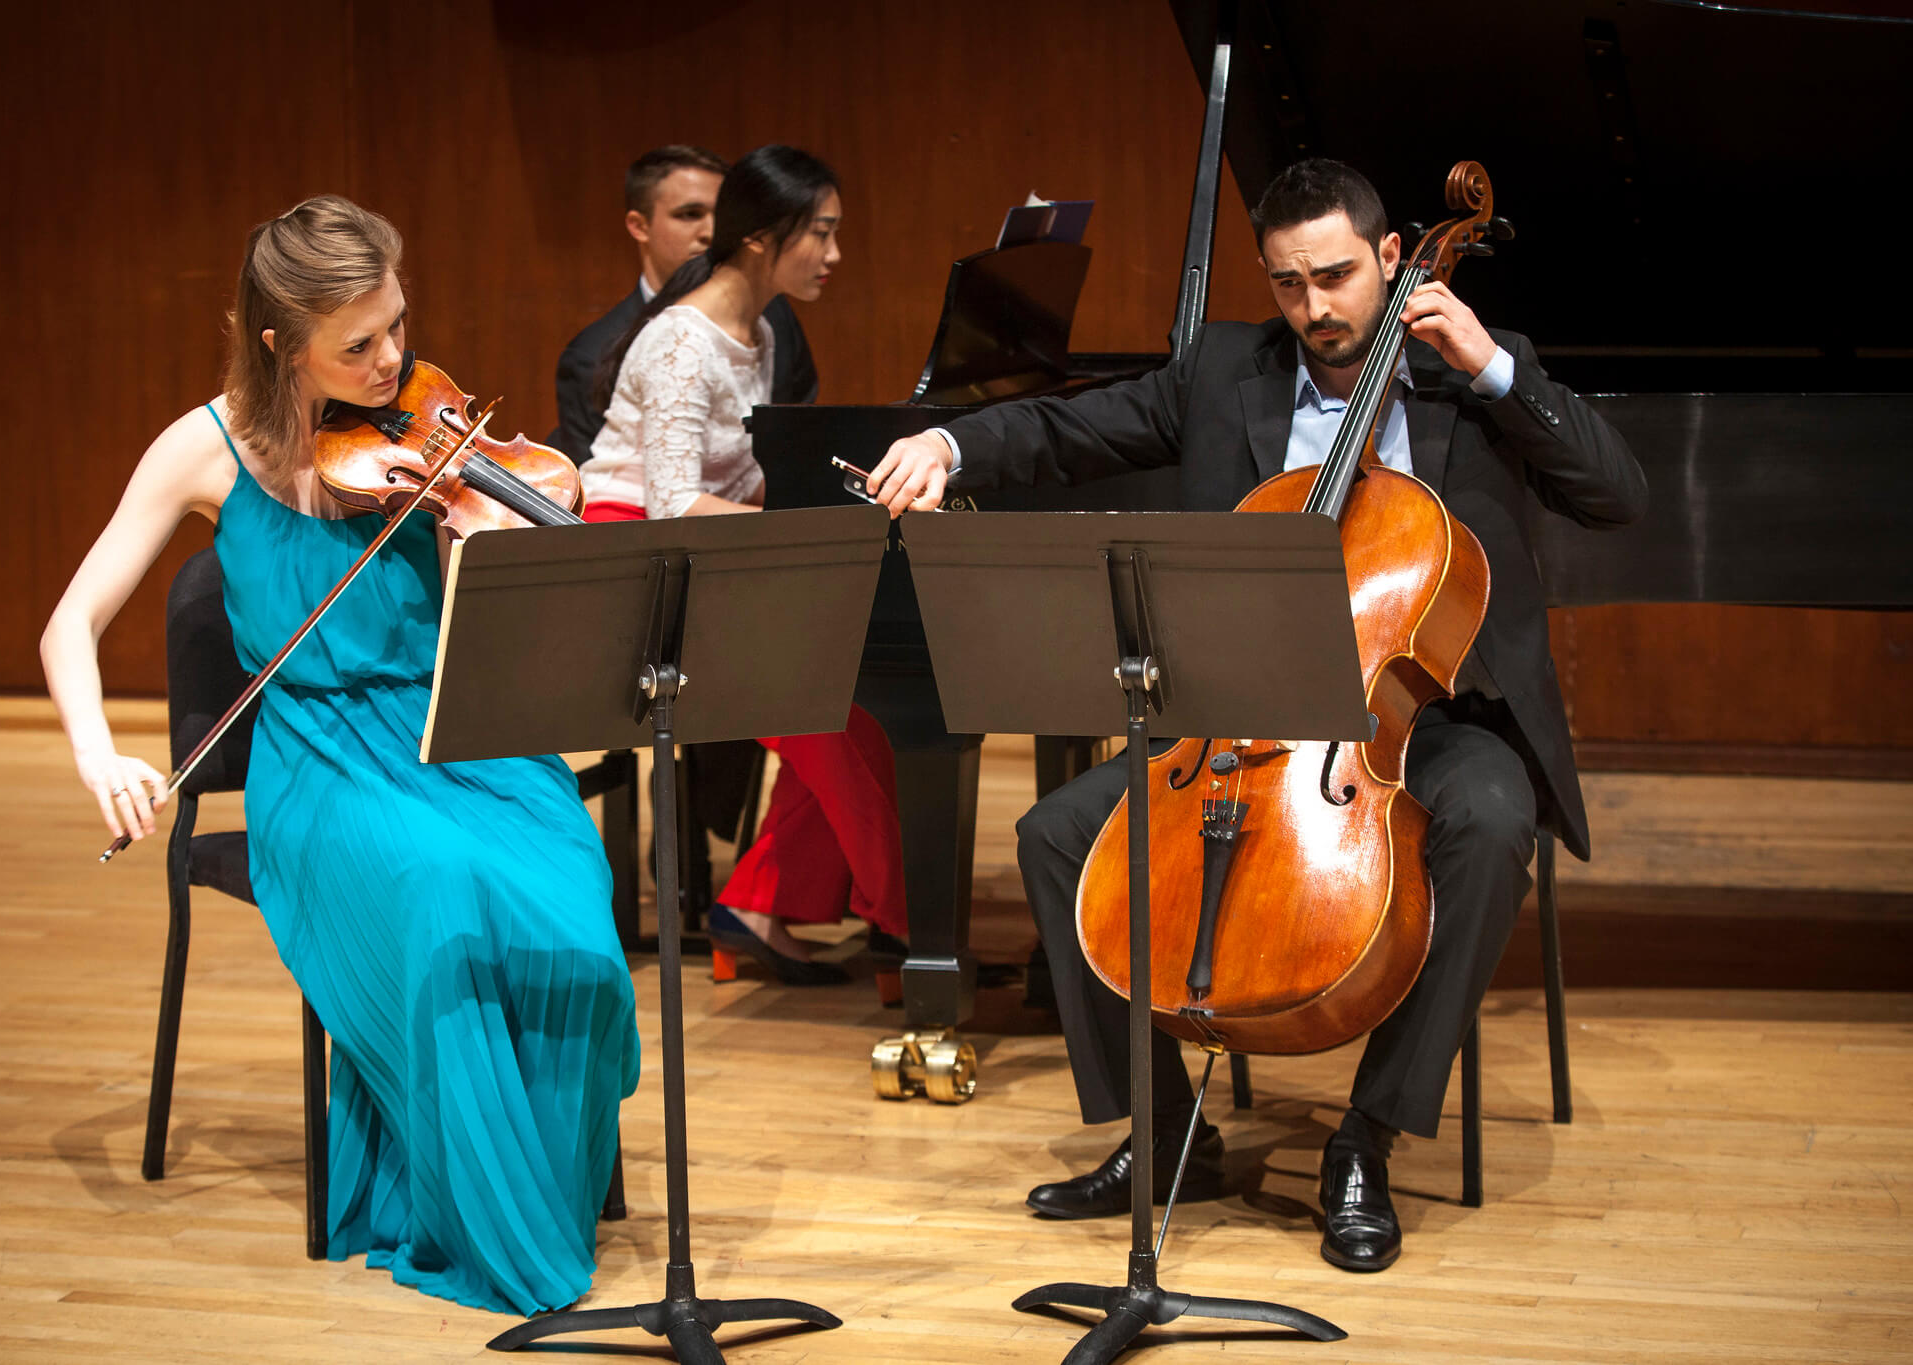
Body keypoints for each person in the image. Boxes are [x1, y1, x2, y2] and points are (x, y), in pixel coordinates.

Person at [867, 158, 1646, 1273]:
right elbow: (1071, 429)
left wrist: (1487, 366)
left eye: (1335, 276)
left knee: (1487, 821)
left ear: (1391, 258)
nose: (1314, 308)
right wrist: (948, 444)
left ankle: (1366, 1138)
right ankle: (1167, 1132)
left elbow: (1617, 495)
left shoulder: (1472, 370)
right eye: (1288, 284)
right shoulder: (1226, 370)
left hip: (1430, 711)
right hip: (1245, 724)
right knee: (1055, 835)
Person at [38, 196, 640, 1315]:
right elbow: (68, 623)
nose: (391, 360)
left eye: (397, 325)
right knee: (443, 889)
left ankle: (537, 1166)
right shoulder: (203, 448)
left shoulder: (422, 437)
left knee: (576, 906)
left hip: (463, 734)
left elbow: (506, 626)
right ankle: (496, 1216)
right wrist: (98, 755)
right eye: (357, 344)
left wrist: (479, 549)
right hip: (321, 759)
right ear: (280, 344)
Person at [579, 144, 907, 987]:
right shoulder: (682, 343)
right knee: (830, 718)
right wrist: (809, 532)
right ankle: (911, 925)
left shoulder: (755, 329)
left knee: (856, 714)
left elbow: (741, 480)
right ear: (762, 238)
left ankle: (759, 903)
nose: (835, 254)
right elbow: (670, 504)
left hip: (708, 559)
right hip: (640, 572)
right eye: (820, 233)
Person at [550, 145, 817, 465]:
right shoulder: (590, 355)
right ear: (639, 226)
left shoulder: (773, 316)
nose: (711, 232)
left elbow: (803, 435)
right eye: (690, 214)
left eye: (722, 215)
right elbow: (591, 481)